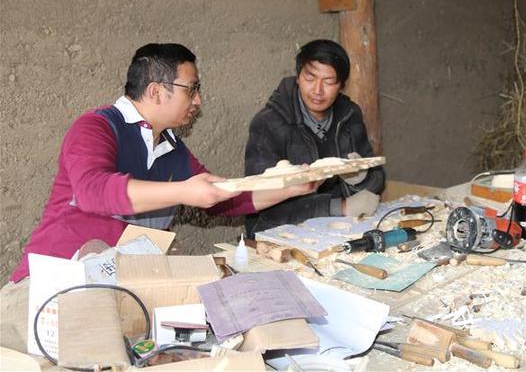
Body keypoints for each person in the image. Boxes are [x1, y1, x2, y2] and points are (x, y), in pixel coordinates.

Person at [8, 43, 319, 283]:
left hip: (118, 285)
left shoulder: (172, 148)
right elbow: (94, 191)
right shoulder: (96, 127)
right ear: (155, 91)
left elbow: (223, 198)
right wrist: (183, 191)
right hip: (51, 285)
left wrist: (291, 187)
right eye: (191, 89)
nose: (198, 100)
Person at [244, 39, 385, 237]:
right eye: (310, 78)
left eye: (328, 81)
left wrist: (361, 179)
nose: (318, 90)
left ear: (342, 86)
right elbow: (261, 200)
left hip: (339, 228)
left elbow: (377, 178)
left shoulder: (349, 115)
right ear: (298, 77)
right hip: (279, 233)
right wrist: (340, 207)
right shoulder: (269, 123)